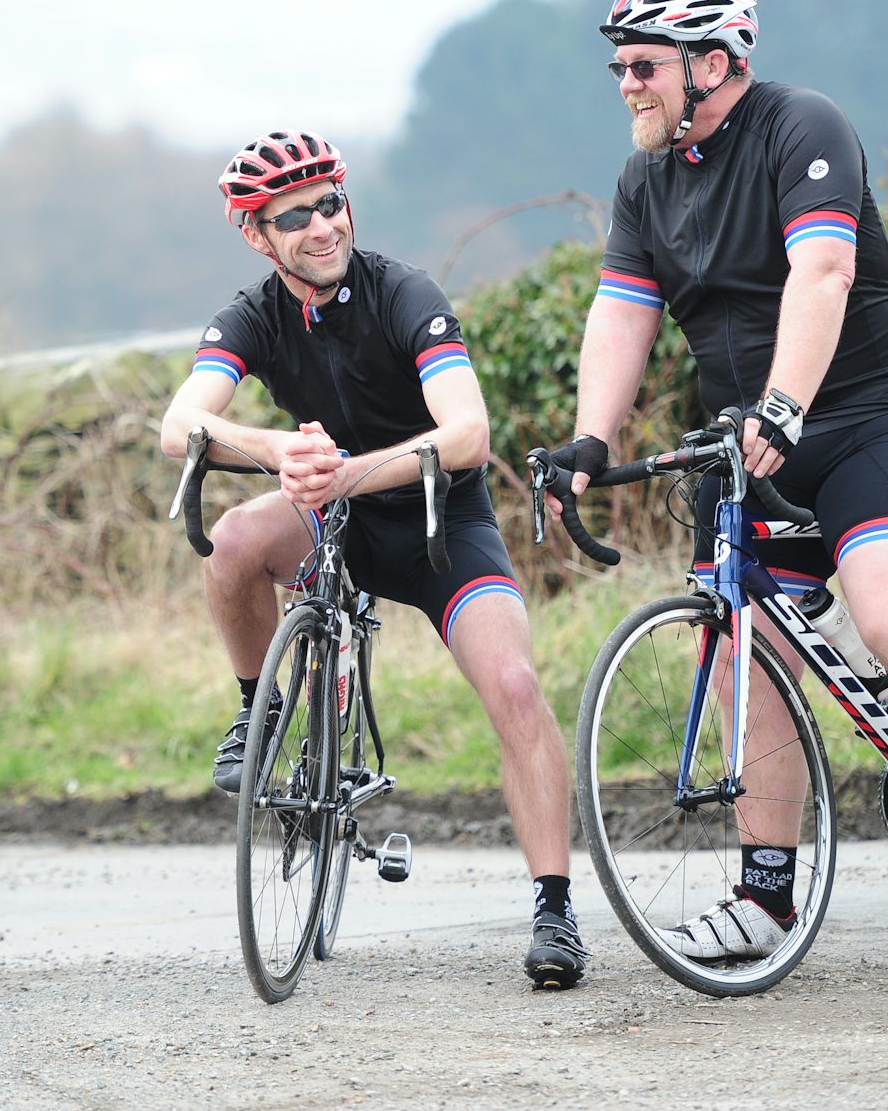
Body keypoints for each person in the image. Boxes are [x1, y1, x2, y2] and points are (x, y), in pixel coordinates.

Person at [543, 0, 888, 960]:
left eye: (643, 66)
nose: (626, 84)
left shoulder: (800, 126)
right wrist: (589, 441)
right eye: (618, 68)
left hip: (870, 419)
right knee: (748, 652)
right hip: (748, 442)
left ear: (713, 63)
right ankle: (765, 896)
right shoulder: (645, 182)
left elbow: (822, 270)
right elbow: (621, 314)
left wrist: (786, 401)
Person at [160, 131, 588, 988]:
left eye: (332, 203)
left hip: (438, 520)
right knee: (236, 541)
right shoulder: (252, 315)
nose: (322, 226)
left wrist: (350, 471)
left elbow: (468, 433)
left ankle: (555, 908)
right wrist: (275, 447)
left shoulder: (404, 293)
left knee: (514, 685)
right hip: (330, 514)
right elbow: (180, 425)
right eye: (295, 216)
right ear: (257, 234)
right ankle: (258, 713)